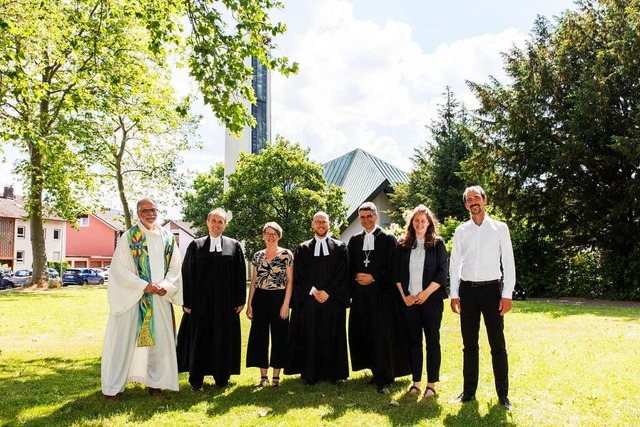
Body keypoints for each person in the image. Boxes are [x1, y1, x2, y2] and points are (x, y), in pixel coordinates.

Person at [101, 198, 183, 401]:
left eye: (153, 210)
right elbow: (119, 270)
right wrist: (142, 286)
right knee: (123, 343)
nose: (150, 214)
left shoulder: (167, 237)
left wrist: (165, 286)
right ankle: (114, 387)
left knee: (160, 343)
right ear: (138, 213)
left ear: (158, 211)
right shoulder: (128, 237)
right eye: (145, 210)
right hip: (132, 298)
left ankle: (156, 383)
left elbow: (175, 267)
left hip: (159, 298)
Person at [449, 186, 516, 410]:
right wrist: (454, 294)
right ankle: (468, 392)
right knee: (469, 345)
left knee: (497, 344)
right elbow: (454, 263)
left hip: (492, 291)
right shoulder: (461, 231)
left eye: (477, 197)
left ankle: (503, 396)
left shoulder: (500, 228)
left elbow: (508, 261)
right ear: (466, 205)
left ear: (485, 200)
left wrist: (507, 294)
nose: (473, 202)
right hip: (467, 291)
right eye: (469, 199)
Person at [176, 208, 246, 390]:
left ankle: (222, 378)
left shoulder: (234, 246)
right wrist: (187, 302)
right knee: (200, 340)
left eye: (220, 222)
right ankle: (196, 380)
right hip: (201, 304)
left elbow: (240, 274)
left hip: (226, 304)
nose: (216, 225)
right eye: (213, 221)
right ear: (207, 222)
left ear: (225, 224)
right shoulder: (196, 245)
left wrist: (240, 299)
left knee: (223, 340)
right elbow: (187, 274)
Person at [348, 202, 410, 394]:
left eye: (369, 216)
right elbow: (349, 266)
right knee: (366, 332)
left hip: (382, 296)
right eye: (362, 217)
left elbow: (393, 267)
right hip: (361, 296)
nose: (366, 220)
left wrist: (373, 277)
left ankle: (385, 375)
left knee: (381, 334)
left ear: (376, 216)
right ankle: (375, 371)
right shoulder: (355, 240)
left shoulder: (387, 239)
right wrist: (357, 278)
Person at [286, 211, 350, 385]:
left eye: (324, 222)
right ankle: (310, 374)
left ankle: (333, 374)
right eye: (318, 222)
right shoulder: (303, 249)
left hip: (332, 300)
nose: (321, 225)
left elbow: (342, 273)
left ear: (329, 224)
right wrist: (314, 291)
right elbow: (300, 274)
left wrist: (328, 292)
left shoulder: (340, 247)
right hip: (310, 301)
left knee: (332, 335)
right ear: (312, 225)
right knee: (310, 336)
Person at [394, 205, 448, 399]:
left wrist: (425, 294)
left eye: (423, 221)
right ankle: (416, 383)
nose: (419, 223)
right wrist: (405, 295)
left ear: (429, 223)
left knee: (432, 341)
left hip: (431, 301)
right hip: (409, 302)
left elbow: (442, 274)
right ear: (411, 223)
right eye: (416, 220)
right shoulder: (402, 245)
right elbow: (397, 273)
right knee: (414, 342)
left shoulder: (437, 244)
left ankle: (431, 385)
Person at [246, 222, 294, 387]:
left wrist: (286, 303)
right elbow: (253, 281)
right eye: (267, 233)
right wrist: (249, 304)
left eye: (274, 233)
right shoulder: (258, 255)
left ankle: (276, 377)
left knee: (280, 336)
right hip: (260, 297)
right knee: (259, 336)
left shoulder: (286, 254)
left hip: (279, 297)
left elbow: (290, 280)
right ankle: (263, 377)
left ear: (279, 236)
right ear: (263, 235)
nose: (271, 236)